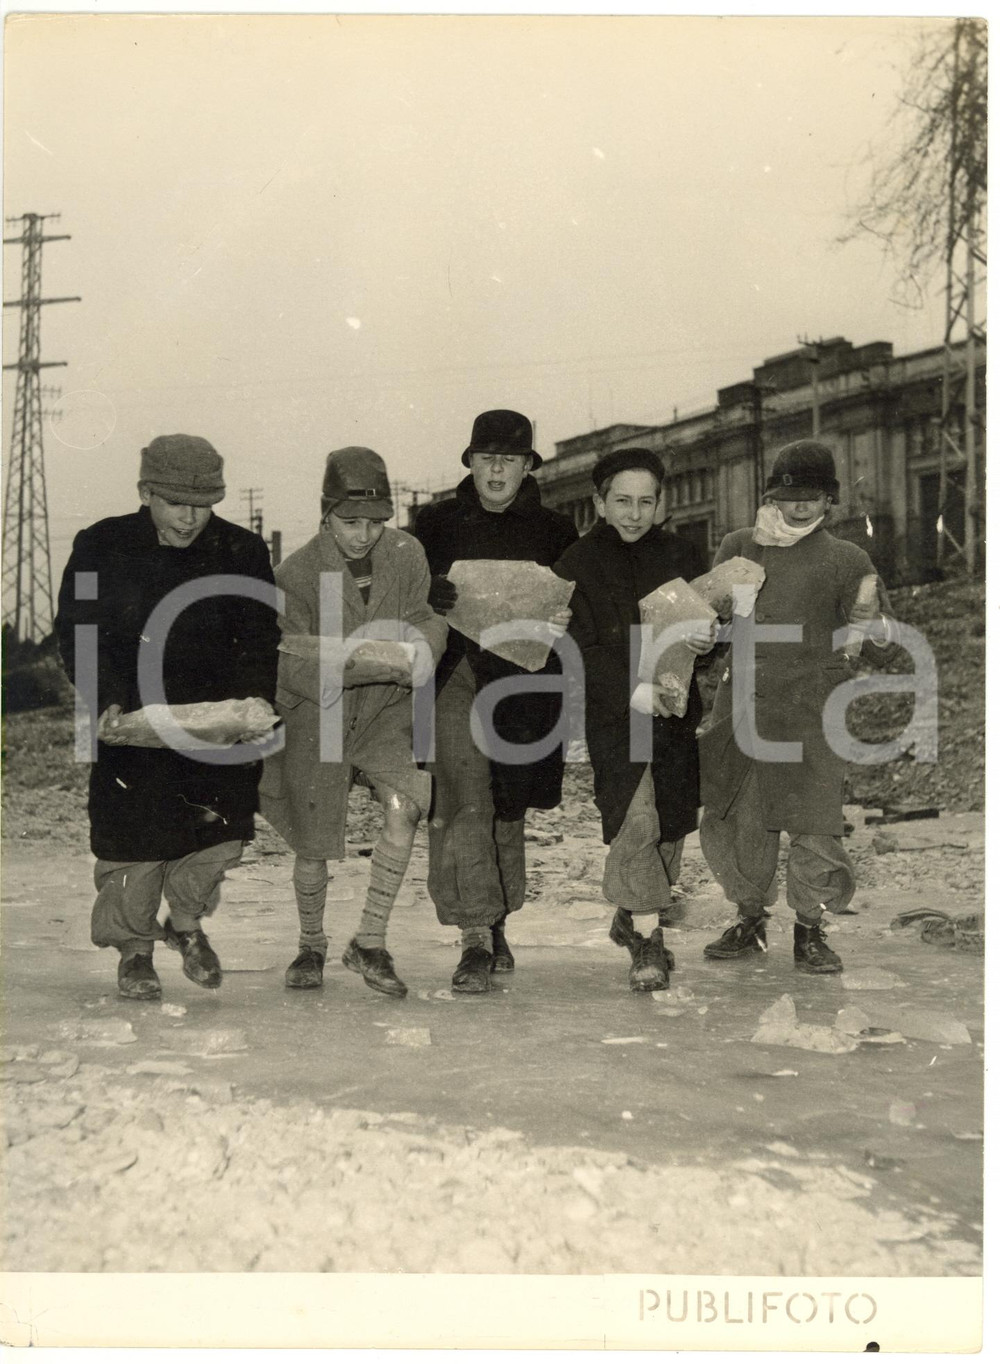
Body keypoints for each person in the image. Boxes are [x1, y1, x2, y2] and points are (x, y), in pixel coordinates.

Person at [54, 434, 280, 1001]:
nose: (190, 518)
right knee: (135, 840)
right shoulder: (99, 546)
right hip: (132, 718)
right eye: (176, 503)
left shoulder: (243, 551)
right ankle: (135, 950)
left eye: (203, 505)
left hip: (215, 722)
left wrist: (255, 701)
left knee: (219, 835)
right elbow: (80, 628)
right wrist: (105, 695)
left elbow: (259, 635)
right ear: (145, 492)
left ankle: (185, 923)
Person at [698, 439, 900, 974]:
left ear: (830, 500)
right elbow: (706, 621)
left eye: (814, 495)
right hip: (742, 704)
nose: (802, 505)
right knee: (740, 818)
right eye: (791, 495)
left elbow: (881, 644)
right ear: (772, 496)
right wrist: (713, 617)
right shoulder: (739, 546)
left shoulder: (847, 558)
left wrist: (870, 620)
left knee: (815, 823)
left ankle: (810, 928)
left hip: (812, 709)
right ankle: (749, 919)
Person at [259, 447, 447, 999]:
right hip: (318, 716)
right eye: (350, 522)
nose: (364, 535)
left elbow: (424, 616)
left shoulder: (407, 553)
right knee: (313, 839)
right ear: (325, 514)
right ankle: (311, 944)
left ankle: (370, 941)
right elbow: (287, 662)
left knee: (405, 806)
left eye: (375, 522)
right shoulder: (294, 573)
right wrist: (356, 666)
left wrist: (426, 650)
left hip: (385, 712)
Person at [413, 409, 577, 993]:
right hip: (454, 673)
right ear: (471, 463)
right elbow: (400, 594)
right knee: (464, 798)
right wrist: (424, 591)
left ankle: (497, 918)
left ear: (528, 465)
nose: (498, 470)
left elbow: (576, 603)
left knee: (509, 803)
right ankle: (475, 934)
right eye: (487, 458)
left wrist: (565, 615)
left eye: (510, 459)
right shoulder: (434, 524)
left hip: (523, 680)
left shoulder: (555, 530)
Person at [554, 449, 714, 992]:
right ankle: (648, 940)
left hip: (673, 710)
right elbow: (575, 645)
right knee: (636, 816)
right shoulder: (576, 564)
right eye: (622, 501)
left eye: (646, 502)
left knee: (670, 822)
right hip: (615, 714)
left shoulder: (681, 553)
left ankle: (631, 915)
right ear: (599, 503)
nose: (634, 513)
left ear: (660, 504)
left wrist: (707, 638)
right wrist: (630, 690)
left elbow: (706, 628)